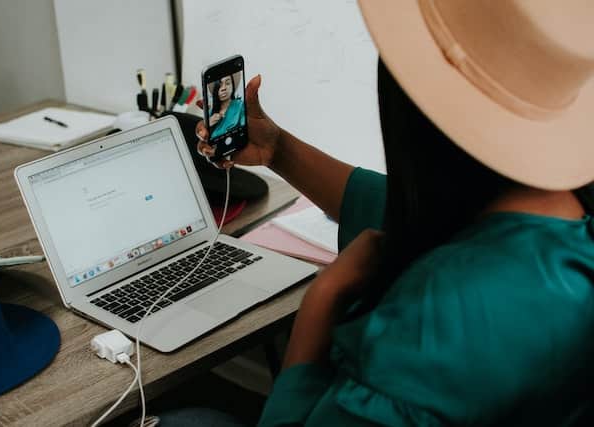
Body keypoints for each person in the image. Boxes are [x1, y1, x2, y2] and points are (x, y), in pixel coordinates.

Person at [163, 1, 594, 426]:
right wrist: (279, 149)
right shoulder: (565, 220)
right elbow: (398, 207)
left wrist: (321, 303)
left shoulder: (436, 318)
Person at [208, 74, 246, 140]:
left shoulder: (240, 105)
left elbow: (244, 130)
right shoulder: (210, 113)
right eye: (220, 85)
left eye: (228, 83)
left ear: (232, 86)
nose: (223, 88)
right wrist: (208, 125)